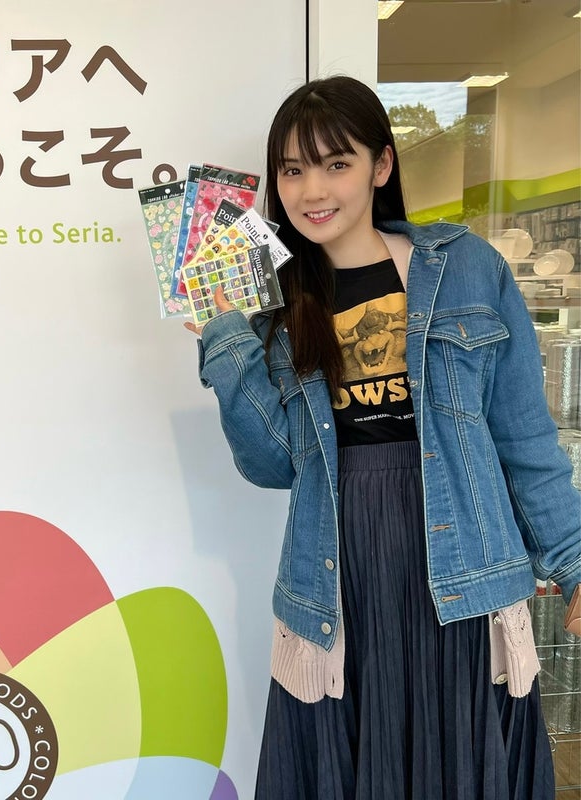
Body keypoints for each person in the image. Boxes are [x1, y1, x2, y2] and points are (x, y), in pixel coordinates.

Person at [186, 75, 581, 799]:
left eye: (336, 163)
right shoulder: (273, 303)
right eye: (292, 170)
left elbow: (525, 440)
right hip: (338, 577)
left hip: (462, 571)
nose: (312, 190)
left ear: (381, 165)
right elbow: (272, 464)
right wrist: (225, 338)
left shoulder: (466, 268)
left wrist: (576, 561)